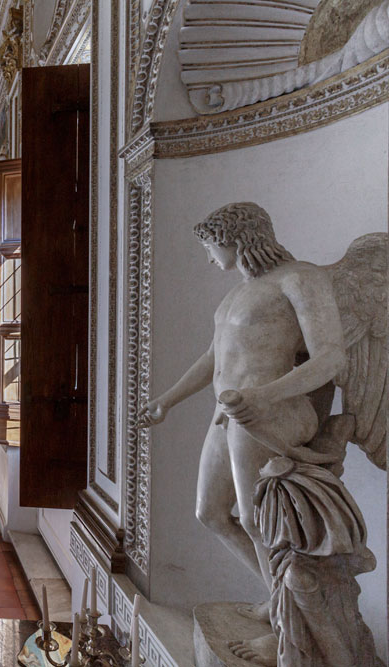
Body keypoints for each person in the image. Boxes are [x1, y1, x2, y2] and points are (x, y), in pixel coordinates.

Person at [138, 203, 348, 664]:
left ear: (236, 239)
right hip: (233, 412)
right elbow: (215, 358)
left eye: (211, 247)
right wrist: (168, 400)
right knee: (211, 513)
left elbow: (331, 357)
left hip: (274, 411)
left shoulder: (300, 279)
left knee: (256, 521)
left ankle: (286, 633)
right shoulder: (240, 293)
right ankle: (279, 600)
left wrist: (264, 397)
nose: (208, 257)